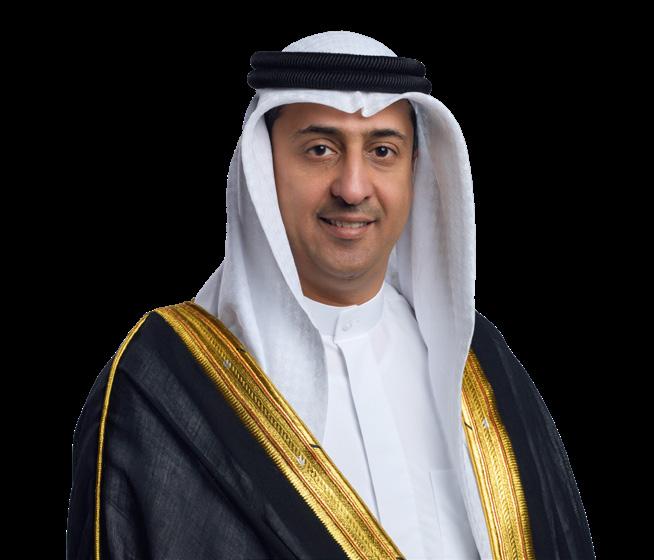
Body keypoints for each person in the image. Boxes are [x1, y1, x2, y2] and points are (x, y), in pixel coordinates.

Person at [66, 31, 595, 559]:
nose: (353, 187)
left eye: (383, 151)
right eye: (320, 149)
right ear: (262, 166)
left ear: (415, 171)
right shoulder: (166, 381)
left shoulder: (479, 361)